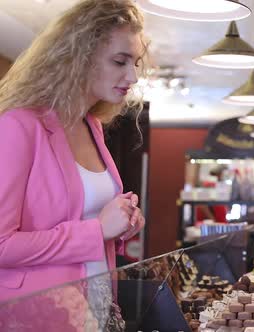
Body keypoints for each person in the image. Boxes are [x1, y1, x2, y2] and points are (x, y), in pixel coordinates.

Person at [0, 0, 147, 315]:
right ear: (79, 58)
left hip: (94, 302)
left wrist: (121, 224)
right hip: (38, 311)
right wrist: (98, 230)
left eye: (135, 62)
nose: (133, 76)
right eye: (120, 61)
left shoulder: (90, 124)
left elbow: (86, 218)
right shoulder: (19, 125)